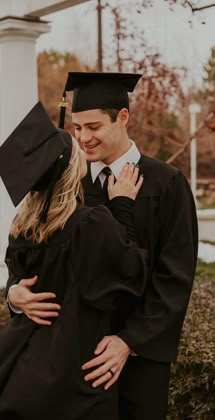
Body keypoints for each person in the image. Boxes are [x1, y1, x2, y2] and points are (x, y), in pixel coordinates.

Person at [7, 72, 198, 420]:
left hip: (140, 359)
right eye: (77, 128)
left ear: (122, 117)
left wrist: (129, 341)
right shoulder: (67, 187)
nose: (83, 138)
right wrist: (14, 295)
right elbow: (31, 262)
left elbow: (175, 276)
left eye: (93, 126)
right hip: (73, 360)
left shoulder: (166, 183)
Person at [0, 101, 147, 420]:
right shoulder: (91, 223)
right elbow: (131, 273)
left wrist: (13, 293)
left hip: (21, 370)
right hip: (74, 378)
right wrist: (122, 206)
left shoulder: (22, 228)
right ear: (69, 170)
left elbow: (16, 278)